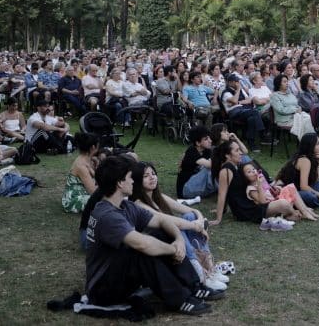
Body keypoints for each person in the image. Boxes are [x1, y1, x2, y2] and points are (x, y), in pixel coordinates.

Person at [84, 156, 217, 316]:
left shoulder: (126, 206)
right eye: (130, 177)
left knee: (162, 233)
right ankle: (179, 299)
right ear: (120, 183)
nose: (133, 181)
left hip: (119, 275)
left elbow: (161, 220)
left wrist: (179, 239)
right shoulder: (107, 215)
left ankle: (194, 286)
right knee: (140, 253)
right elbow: (143, 245)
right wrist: (173, 249)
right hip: (102, 291)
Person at [130, 162, 229, 292]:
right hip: (161, 244)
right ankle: (199, 272)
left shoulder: (159, 197)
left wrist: (199, 220)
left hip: (174, 240)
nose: (152, 177)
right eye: (146, 176)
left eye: (153, 174)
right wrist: (196, 226)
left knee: (189, 216)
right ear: (137, 180)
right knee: (177, 226)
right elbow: (166, 220)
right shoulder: (139, 204)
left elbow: (192, 210)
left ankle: (209, 267)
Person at [242, 161, 317, 229]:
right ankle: (295, 213)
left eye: (253, 169)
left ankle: (304, 210)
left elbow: (269, 192)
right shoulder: (251, 189)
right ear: (245, 177)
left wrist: (276, 189)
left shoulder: (262, 180)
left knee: (290, 187)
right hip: (268, 207)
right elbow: (263, 202)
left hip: (275, 200)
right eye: (249, 172)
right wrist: (259, 186)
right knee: (283, 202)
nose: (253, 171)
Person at [209, 140, 266, 225]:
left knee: (284, 204)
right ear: (228, 155)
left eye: (239, 150)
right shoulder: (226, 170)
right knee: (283, 205)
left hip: (251, 205)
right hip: (247, 211)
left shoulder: (235, 166)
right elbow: (222, 195)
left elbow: (229, 192)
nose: (241, 153)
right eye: (237, 150)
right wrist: (218, 219)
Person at [275, 132, 319, 208]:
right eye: (317, 144)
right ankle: (306, 203)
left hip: (299, 190)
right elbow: (304, 187)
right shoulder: (304, 160)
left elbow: (315, 180)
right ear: (310, 146)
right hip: (288, 192)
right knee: (310, 196)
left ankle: (311, 202)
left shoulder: (311, 157)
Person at [220, 74, 266, 152]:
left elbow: (249, 100)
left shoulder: (241, 90)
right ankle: (262, 134)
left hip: (244, 110)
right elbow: (234, 100)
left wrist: (239, 102)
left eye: (238, 81)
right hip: (234, 112)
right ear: (230, 82)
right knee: (255, 112)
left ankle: (251, 143)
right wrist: (238, 90)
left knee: (251, 119)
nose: (238, 83)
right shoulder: (226, 92)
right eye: (236, 81)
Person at [62, 132, 99, 213]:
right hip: (74, 199)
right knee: (106, 201)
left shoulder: (89, 159)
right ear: (93, 147)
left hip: (84, 194)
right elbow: (93, 191)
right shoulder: (81, 166)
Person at [177, 126, 216, 200]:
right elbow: (210, 165)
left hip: (196, 183)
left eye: (209, 138)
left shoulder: (206, 150)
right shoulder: (191, 151)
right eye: (206, 139)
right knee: (209, 169)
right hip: (186, 189)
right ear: (198, 143)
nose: (210, 141)